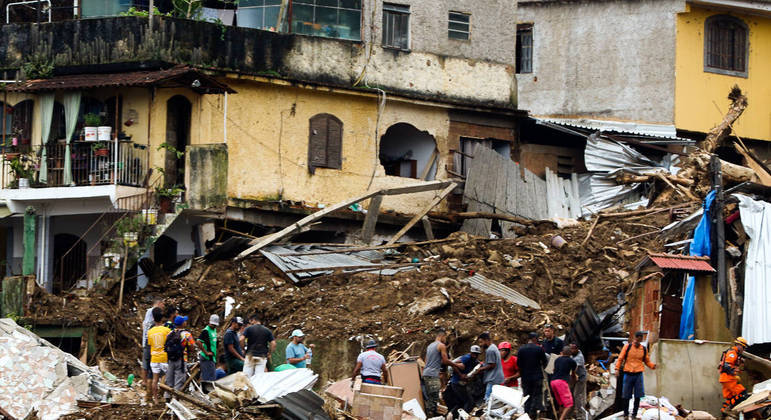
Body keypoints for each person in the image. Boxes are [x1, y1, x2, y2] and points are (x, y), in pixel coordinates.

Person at [422, 328, 462, 418]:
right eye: (445, 338)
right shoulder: (441, 345)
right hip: (433, 375)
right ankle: (430, 418)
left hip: (425, 374)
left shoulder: (430, 346)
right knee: (433, 400)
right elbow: (445, 360)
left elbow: (426, 361)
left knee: (429, 398)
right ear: (442, 336)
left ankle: (429, 416)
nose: (445, 340)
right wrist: (457, 365)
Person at [615, 331, 656, 419]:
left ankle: (634, 414)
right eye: (638, 339)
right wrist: (617, 369)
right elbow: (620, 358)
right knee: (626, 395)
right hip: (628, 373)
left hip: (638, 374)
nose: (639, 341)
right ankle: (626, 414)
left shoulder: (643, 349)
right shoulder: (627, 347)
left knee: (638, 395)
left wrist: (653, 366)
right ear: (635, 338)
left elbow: (647, 361)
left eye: (640, 339)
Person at [444, 345, 481, 418]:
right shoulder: (466, 358)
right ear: (471, 352)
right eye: (474, 353)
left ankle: (452, 415)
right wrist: (460, 374)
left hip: (460, 383)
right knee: (469, 401)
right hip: (456, 382)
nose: (475, 355)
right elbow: (453, 365)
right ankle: (463, 417)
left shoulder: (475, 361)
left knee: (461, 402)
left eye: (476, 354)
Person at [517, 332, 548, 419]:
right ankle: (533, 414)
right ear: (534, 339)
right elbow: (545, 362)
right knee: (536, 395)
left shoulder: (521, 349)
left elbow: (519, 364)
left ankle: (527, 414)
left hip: (525, 378)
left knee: (527, 396)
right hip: (537, 377)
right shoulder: (539, 349)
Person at [164, 315, 196, 399]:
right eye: (184, 321)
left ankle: (167, 398)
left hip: (170, 359)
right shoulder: (187, 334)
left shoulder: (170, 333)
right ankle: (175, 400)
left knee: (169, 379)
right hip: (181, 360)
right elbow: (192, 347)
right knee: (179, 381)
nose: (186, 322)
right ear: (182, 323)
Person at [146, 306, 171, 404]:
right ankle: (164, 396)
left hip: (154, 358)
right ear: (162, 318)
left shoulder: (150, 332)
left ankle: (155, 399)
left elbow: (150, 344)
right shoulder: (166, 330)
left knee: (154, 379)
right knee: (166, 377)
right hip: (164, 357)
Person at [719, 337, 750, 414]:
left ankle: (723, 412)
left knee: (731, 397)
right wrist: (733, 373)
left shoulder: (734, 353)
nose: (744, 349)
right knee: (743, 394)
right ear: (739, 345)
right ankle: (728, 410)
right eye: (743, 347)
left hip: (725, 379)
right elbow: (726, 365)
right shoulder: (732, 353)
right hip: (728, 378)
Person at [142, 299, 164, 396]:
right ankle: (160, 394)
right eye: (163, 305)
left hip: (149, 345)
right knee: (162, 374)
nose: (163, 307)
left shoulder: (148, 315)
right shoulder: (164, 330)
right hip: (158, 352)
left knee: (149, 369)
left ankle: (150, 394)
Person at [242, 314, 275, 378]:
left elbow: (241, 339)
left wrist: (243, 348)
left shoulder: (248, 329)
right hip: (262, 356)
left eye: (250, 321)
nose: (250, 323)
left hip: (250, 355)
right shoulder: (267, 330)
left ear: (253, 320)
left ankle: (246, 388)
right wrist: (269, 353)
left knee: (246, 377)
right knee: (259, 378)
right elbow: (273, 343)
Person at [474, 332, 505, 402]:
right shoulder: (493, 347)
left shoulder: (490, 350)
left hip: (492, 378)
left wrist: (480, 369)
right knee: (495, 400)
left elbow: (492, 365)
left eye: (481, 342)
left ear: (487, 340)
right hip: (497, 377)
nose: (480, 344)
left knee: (488, 400)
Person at [551, 347, 577, 420]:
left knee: (561, 404)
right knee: (569, 404)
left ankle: (560, 417)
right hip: (561, 382)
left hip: (553, 382)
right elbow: (573, 374)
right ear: (570, 353)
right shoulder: (571, 361)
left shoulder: (557, 359)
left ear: (562, 352)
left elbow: (553, 370)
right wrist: (574, 380)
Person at [197, 314, 220, 390]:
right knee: (207, 379)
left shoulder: (214, 330)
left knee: (211, 378)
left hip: (211, 357)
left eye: (215, 325)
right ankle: (206, 394)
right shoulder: (206, 331)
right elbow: (198, 341)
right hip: (206, 357)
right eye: (213, 325)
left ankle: (209, 394)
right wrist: (206, 352)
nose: (214, 326)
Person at [570, 343, 588, 419]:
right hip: (574, 379)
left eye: (573, 349)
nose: (571, 350)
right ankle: (573, 412)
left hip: (581, 379)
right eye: (570, 349)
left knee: (577, 395)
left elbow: (574, 367)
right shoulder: (573, 355)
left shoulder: (579, 357)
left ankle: (580, 414)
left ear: (577, 349)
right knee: (573, 395)